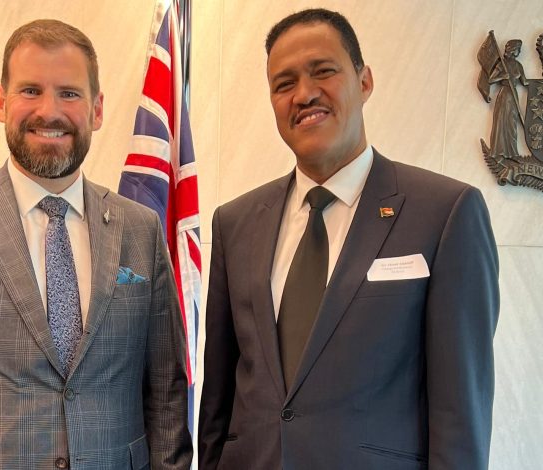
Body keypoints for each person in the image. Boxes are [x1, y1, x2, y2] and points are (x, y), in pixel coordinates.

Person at [0, 19, 192, 469]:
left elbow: (166, 393)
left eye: (69, 93)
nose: (50, 111)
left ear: (97, 109)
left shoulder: (141, 228)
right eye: (30, 90)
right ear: (1, 101)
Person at [199, 8, 499, 470]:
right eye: (284, 83)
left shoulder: (445, 214)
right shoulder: (235, 223)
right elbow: (218, 400)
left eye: (323, 71)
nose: (304, 94)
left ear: (364, 81)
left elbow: (461, 413)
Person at [488, 39, 527, 159]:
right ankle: (499, 151)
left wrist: (541, 85)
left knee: (512, 122)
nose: (519, 52)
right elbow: (490, 80)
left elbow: (525, 82)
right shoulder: (502, 64)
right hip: (504, 94)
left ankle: (512, 152)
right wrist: (502, 76)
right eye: (518, 49)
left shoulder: (518, 66)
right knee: (502, 120)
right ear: (512, 49)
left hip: (513, 94)